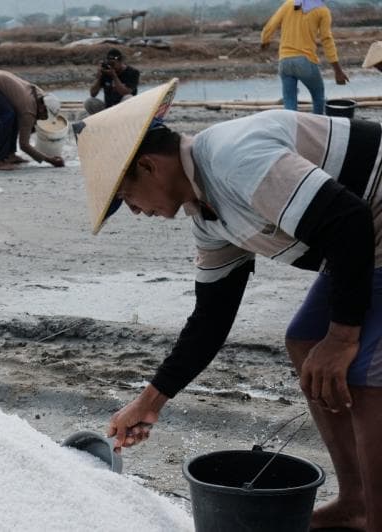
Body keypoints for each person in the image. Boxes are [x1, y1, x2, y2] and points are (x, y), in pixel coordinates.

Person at [73, 78, 382, 531]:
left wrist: (343, 338)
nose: (135, 212)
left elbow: (349, 221)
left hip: (370, 227)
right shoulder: (208, 215)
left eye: (127, 198)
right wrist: (150, 400)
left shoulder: (234, 158)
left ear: (148, 166)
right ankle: (356, 501)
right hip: (362, 242)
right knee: (304, 340)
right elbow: (211, 318)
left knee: (362, 369)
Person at [261, 0, 349, 115]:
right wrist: (338, 71)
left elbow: (270, 25)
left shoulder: (289, 4)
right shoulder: (322, 11)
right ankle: (317, 127)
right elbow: (327, 40)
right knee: (318, 97)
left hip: (284, 62)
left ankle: (291, 129)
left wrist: (264, 40)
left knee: (289, 102)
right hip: (305, 61)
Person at [0, 69, 64, 171]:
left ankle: (10, 155)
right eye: (46, 115)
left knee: (14, 117)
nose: (45, 118)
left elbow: (26, 123)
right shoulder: (28, 110)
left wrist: (33, 128)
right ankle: (0, 161)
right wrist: (50, 160)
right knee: (7, 117)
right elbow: (24, 145)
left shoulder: (41, 96)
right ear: (42, 108)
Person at [84, 48, 140, 116]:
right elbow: (93, 94)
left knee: (128, 97)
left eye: (113, 64)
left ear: (121, 61)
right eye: (109, 63)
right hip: (108, 109)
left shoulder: (133, 72)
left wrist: (114, 76)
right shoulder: (106, 72)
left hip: (124, 109)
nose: (111, 66)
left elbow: (126, 92)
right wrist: (99, 78)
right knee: (89, 102)